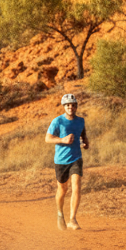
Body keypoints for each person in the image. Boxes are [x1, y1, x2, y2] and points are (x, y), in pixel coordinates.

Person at [46, 93, 89, 231]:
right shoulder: (57, 121)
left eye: (73, 105)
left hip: (76, 158)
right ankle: (60, 214)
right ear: (64, 106)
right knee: (62, 190)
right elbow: (48, 138)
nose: (71, 107)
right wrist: (62, 140)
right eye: (68, 105)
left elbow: (83, 134)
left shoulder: (81, 121)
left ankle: (73, 219)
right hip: (61, 160)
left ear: (76, 106)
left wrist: (85, 142)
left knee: (76, 186)